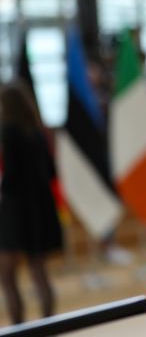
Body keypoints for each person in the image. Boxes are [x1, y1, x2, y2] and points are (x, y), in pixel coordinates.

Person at [0, 80, 63, 324]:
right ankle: (49, 324)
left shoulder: (7, 131)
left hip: (15, 210)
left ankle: (18, 327)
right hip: (40, 208)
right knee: (39, 272)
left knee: (7, 273)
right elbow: (51, 171)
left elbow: (11, 175)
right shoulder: (38, 131)